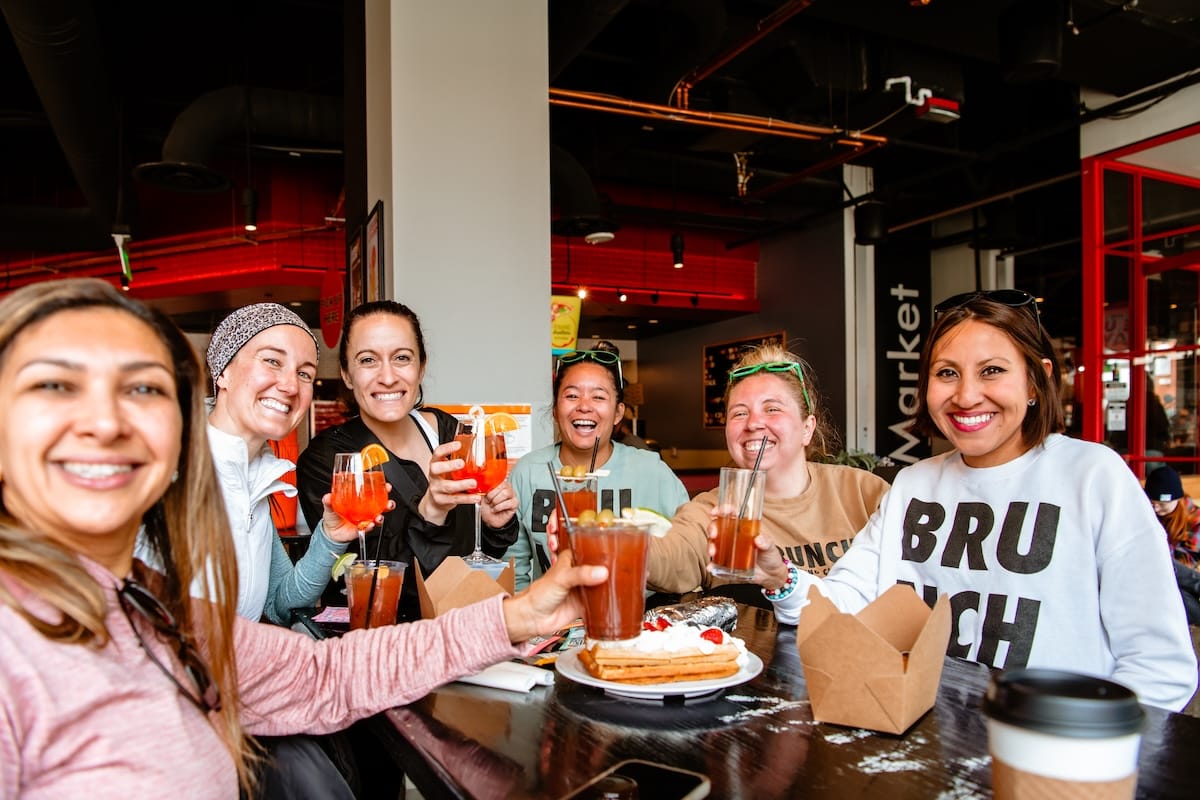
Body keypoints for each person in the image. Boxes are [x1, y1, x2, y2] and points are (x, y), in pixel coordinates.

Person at [0, 278, 604, 797]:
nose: (105, 423)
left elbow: (310, 655)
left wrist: (517, 611)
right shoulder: (28, 637)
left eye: (143, 391)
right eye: (54, 387)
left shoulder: (163, 612)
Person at [755, 291, 1197, 710]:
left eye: (992, 371)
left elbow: (1159, 667)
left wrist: (1080, 754)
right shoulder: (913, 484)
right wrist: (780, 576)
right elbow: (843, 603)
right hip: (920, 739)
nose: (966, 395)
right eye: (947, 373)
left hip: (1050, 753)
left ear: (1036, 380)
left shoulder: (1094, 476)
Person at [296, 301, 518, 619]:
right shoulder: (329, 461)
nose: (388, 377)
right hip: (383, 646)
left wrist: (494, 523)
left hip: (466, 630)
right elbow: (372, 584)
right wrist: (431, 513)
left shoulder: (450, 433)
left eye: (402, 358)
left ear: (421, 367)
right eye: (368, 360)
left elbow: (473, 560)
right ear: (346, 374)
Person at [137, 303, 352, 626]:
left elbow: (281, 603)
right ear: (223, 371)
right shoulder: (164, 467)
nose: (291, 386)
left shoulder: (256, 478)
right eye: (271, 361)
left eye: (304, 373)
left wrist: (332, 536)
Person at [645, 345, 890, 595]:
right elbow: (670, 557)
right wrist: (615, 547)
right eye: (739, 413)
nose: (753, 423)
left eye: (772, 409)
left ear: (807, 428)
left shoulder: (863, 492)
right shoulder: (715, 511)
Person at [505, 348, 689, 590]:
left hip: (638, 621)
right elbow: (513, 570)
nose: (584, 406)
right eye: (572, 396)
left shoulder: (652, 471)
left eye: (599, 397)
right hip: (553, 623)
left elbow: (687, 556)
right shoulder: (528, 471)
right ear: (554, 410)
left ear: (618, 413)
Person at [1143, 465, 1200, 625]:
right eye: (1151, 502)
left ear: (1177, 499)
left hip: (1175, 576)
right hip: (1153, 578)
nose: (1155, 508)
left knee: (1171, 584)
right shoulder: (1143, 513)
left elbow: (1188, 561)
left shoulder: (1195, 520)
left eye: (1161, 503)